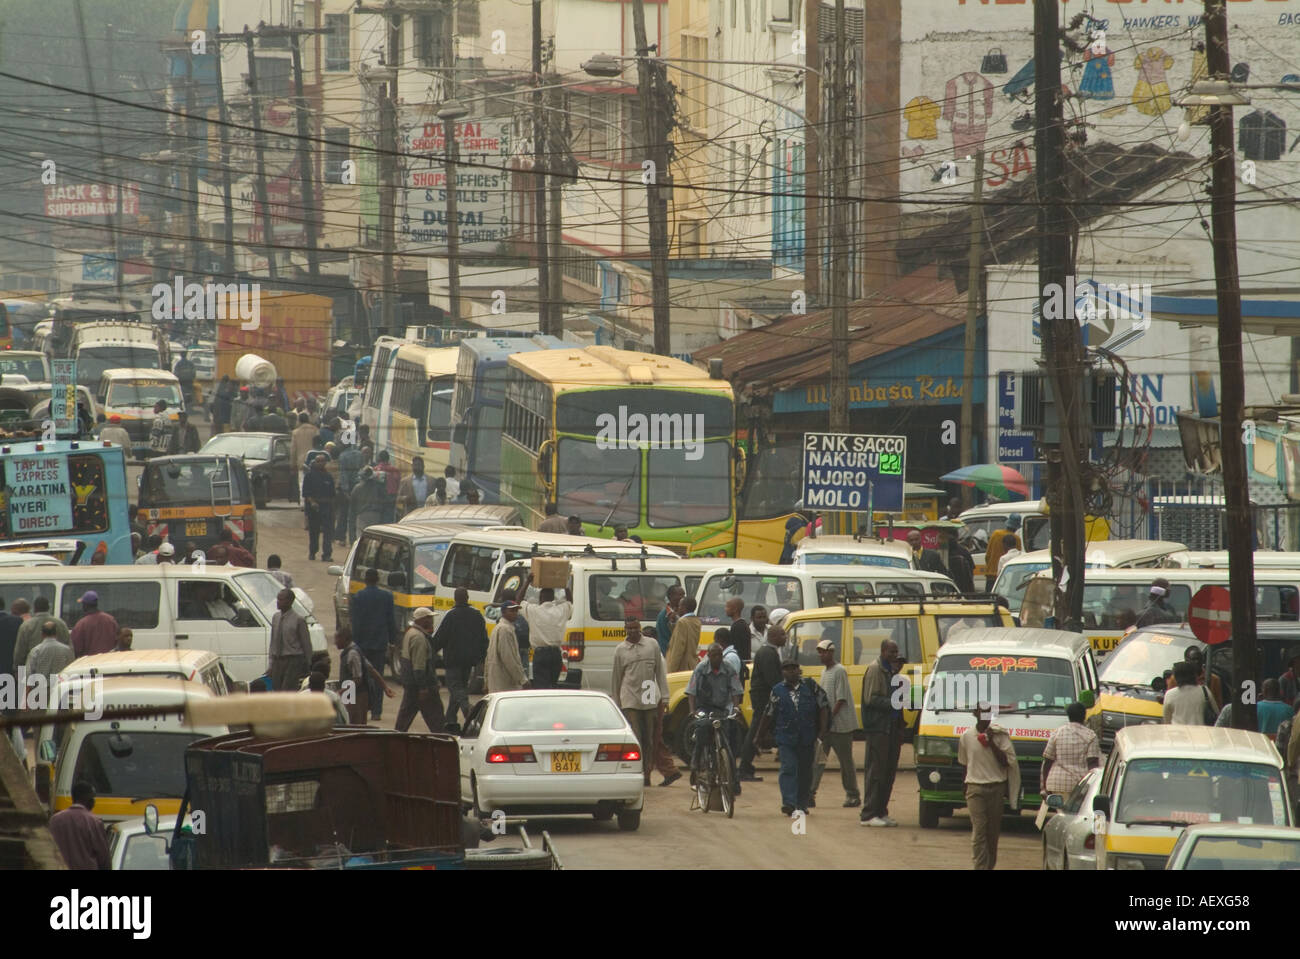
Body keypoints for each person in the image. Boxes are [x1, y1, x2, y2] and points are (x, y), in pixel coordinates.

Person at [758, 659, 828, 816]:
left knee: (805, 772)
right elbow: (768, 714)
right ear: (782, 672)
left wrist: (823, 730)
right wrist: (759, 735)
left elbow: (823, 706)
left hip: (807, 736)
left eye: (794, 668)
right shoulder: (777, 690)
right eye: (787, 669)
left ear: (799, 670)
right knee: (788, 767)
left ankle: (801, 805)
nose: (791, 672)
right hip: (785, 737)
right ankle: (789, 803)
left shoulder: (811, 686)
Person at [958, 703, 1020, 870]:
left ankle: (989, 866)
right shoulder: (966, 736)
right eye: (981, 712)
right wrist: (965, 786)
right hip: (975, 788)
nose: (984, 716)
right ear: (975, 714)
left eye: (987, 713)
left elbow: (1007, 762)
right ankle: (980, 866)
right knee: (979, 831)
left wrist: (991, 742)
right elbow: (965, 764)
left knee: (992, 834)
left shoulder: (1000, 736)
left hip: (996, 788)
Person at [611, 617, 671, 786]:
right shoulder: (620, 650)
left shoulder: (652, 645)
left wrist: (665, 698)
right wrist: (617, 703)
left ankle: (647, 775)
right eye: (628, 628)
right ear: (625, 629)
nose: (632, 631)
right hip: (630, 698)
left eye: (635, 628)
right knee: (636, 738)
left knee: (650, 739)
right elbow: (616, 678)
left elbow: (659, 673)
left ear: (640, 628)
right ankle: (637, 773)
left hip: (649, 694)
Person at [686, 644, 744, 794]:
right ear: (709, 656)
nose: (717, 658)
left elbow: (736, 690)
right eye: (714, 655)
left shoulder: (729, 668)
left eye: (720, 655)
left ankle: (733, 781)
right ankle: (696, 766)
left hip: (722, 710)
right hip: (704, 708)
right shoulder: (701, 669)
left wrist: (736, 709)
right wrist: (693, 711)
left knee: (729, 744)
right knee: (702, 734)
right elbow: (691, 692)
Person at [858, 638, 905, 826]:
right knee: (876, 771)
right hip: (878, 728)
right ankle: (869, 814)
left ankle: (881, 811)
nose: (894, 656)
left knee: (888, 771)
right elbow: (871, 699)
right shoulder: (876, 669)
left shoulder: (891, 671)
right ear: (883, 651)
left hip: (891, 728)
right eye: (891, 652)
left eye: (896, 652)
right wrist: (894, 703)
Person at [813, 638, 861, 807]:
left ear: (831, 652)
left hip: (841, 726)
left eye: (823, 652)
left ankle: (853, 794)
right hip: (826, 727)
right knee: (818, 760)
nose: (821, 655)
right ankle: (810, 794)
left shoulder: (839, 671)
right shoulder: (824, 672)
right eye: (819, 652)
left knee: (845, 762)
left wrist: (829, 720)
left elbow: (841, 699)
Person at [431, 587, 489, 726]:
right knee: (460, 688)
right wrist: (481, 658)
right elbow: (484, 638)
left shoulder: (451, 614)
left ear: (455, 599)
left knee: (455, 687)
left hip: (453, 659)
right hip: (470, 661)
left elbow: (439, 638)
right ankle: (450, 720)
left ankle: (467, 707)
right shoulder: (477, 614)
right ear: (468, 598)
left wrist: (431, 651)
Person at [738, 623, 786, 781]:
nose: (785, 638)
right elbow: (773, 680)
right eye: (782, 635)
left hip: (764, 698)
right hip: (763, 699)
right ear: (773, 637)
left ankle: (746, 767)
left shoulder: (770, 652)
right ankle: (744, 767)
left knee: (760, 730)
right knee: (756, 731)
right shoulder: (768, 653)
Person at [350, 568, 397, 720]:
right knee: (378, 677)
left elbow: (355, 623)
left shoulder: (357, 597)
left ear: (365, 580)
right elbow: (391, 621)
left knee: (361, 677)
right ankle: (377, 711)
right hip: (379, 643)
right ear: (377, 580)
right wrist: (393, 640)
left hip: (361, 643)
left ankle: (363, 707)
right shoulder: (386, 597)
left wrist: (354, 643)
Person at [516, 573, 572, 690]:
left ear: (540, 599)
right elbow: (570, 602)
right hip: (556, 654)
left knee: (542, 688)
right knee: (553, 686)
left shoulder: (533, 610)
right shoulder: (561, 610)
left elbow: (518, 601)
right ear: (553, 599)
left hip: (541, 654)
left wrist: (527, 582)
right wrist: (565, 584)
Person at [395, 608, 445, 733]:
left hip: (411, 685)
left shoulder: (411, 632)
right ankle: (443, 743)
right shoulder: (419, 638)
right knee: (436, 718)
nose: (431, 620)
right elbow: (419, 667)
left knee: (404, 718)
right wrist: (423, 688)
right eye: (429, 618)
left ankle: (394, 741)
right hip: (422, 686)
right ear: (421, 620)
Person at [1041, 702, 1101, 796]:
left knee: (1061, 810)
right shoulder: (1091, 736)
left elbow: (1048, 761)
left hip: (1056, 783)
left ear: (1068, 716)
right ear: (1084, 716)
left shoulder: (1057, 732)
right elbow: (1092, 763)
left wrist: (1044, 785)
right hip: (1080, 785)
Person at [48, 781, 110, 870]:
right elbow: (103, 857)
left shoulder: (55, 820)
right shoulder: (94, 822)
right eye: (93, 798)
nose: (94, 802)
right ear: (89, 800)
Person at [269, 588, 311, 692]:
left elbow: (306, 644)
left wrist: (308, 664)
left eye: (281, 599)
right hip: (277, 660)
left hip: (292, 660)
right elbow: (273, 641)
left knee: (287, 690)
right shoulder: (276, 617)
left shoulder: (298, 620)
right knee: (276, 689)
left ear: (290, 601)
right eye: (278, 599)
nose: (278, 602)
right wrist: (271, 662)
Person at [14, 598, 69, 675]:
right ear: (48, 608)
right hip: (58, 671)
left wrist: (17, 670)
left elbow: (20, 653)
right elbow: (69, 648)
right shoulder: (61, 624)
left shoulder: (26, 626)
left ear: (34, 609)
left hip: (34, 672)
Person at [485, 602, 529, 692]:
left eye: (516, 611)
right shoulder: (505, 630)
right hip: (504, 682)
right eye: (511, 610)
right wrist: (523, 680)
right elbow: (509, 658)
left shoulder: (500, 627)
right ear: (503, 612)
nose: (515, 613)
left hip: (498, 680)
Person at [302, 454, 336, 562]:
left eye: (323, 461)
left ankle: (326, 554)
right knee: (314, 532)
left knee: (328, 532)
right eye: (318, 461)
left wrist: (332, 509)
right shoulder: (309, 476)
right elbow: (305, 493)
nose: (321, 463)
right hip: (314, 509)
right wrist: (312, 502)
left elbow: (332, 495)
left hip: (326, 507)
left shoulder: (328, 477)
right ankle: (312, 552)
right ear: (315, 462)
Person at [69, 592, 118, 658]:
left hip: (89, 664)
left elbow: (76, 648)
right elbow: (117, 641)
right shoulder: (110, 620)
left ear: (85, 605)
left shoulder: (82, 624)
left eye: (83, 604)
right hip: (108, 661)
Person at [26, 620, 74, 685]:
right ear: (56, 633)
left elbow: (29, 674)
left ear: (42, 634)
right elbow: (71, 670)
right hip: (59, 688)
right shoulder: (67, 650)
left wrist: (28, 691)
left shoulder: (36, 651)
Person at [1162, 661, 1211, 725]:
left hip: (1178, 733)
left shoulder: (1170, 694)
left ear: (1176, 677)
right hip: (1201, 732)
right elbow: (1216, 712)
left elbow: (1167, 720)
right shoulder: (1204, 690)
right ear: (1194, 675)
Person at [983, 515, 1022, 591]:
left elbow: (987, 555)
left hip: (991, 574)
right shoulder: (1016, 539)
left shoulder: (996, 534)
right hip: (1007, 576)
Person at [336, 440, 364, 544]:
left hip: (348, 487)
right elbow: (362, 470)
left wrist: (345, 490)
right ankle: (354, 539)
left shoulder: (343, 456)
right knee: (355, 514)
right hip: (359, 486)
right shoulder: (359, 454)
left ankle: (342, 538)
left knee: (343, 513)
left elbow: (343, 474)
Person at [665, 596, 702, 673]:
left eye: (679, 606)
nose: (678, 608)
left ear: (684, 607)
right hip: (692, 664)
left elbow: (678, 649)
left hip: (682, 667)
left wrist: (671, 671)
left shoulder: (682, 622)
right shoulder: (696, 621)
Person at [936, 527, 976, 593]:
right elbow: (971, 574)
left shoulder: (940, 552)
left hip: (946, 589)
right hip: (963, 589)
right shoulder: (964, 551)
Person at [351, 465, 385, 535]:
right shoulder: (378, 486)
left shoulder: (357, 487)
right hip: (376, 515)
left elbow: (353, 503)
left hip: (362, 515)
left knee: (361, 537)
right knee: (373, 537)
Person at [655, 585, 684, 656]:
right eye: (680, 595)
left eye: (684, 595)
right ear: (670, 597)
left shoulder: (683, 612)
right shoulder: (664, 616)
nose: (683, 597)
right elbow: (663, 640)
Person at [291, 413, 316, 491]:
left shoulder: (295, 432)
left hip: (301, 462)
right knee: (314, 483)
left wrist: (292, 465)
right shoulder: (315, 430)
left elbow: (293, 450)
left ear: (299, 421)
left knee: (302, 484)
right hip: (314, 461)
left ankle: (303, 501)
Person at [374, 451, 400, 523]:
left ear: (379, 458)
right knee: (389, 518)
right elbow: (398, 484)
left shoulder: (375, 470)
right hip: (391, 497)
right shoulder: (395, 470)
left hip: (378, 498)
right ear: (388, 458)